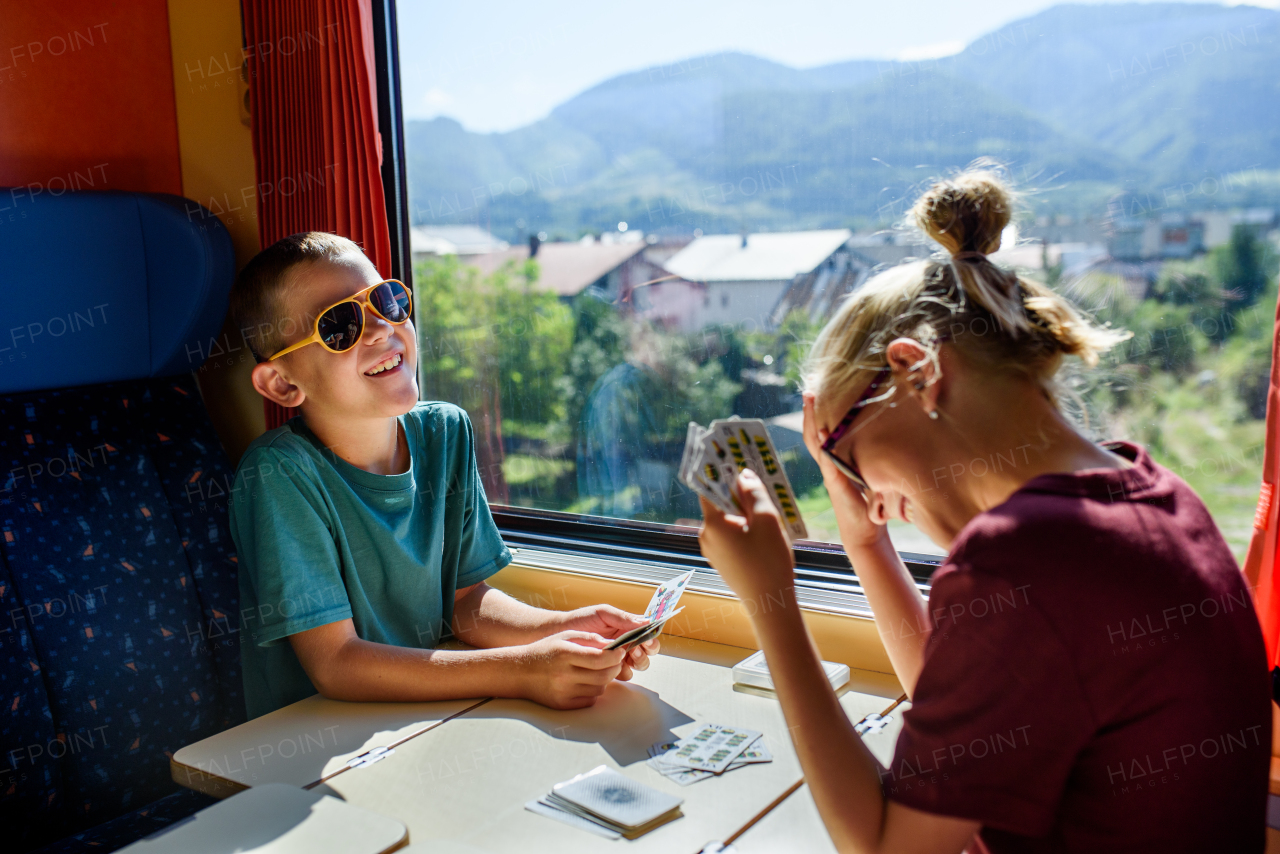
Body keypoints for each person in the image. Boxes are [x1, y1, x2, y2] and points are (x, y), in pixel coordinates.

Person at [696, 169, 1271, 853]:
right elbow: (966, 733)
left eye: (849, 458)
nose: (869, 494)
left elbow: (887, 849)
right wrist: (866, 545)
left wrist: (771, 603)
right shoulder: (1158, 498)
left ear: (916, 373)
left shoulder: (1020, 559)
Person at [227, 232, 657, 719]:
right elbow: (336, 663)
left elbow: (465, 602)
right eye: (339, 326)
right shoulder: (280, 475)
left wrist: (562, 628)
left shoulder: (445, 433)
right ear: (282, 383)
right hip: (318, 736)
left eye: (385, 302)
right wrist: (524, 670)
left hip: (422, 713)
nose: (379, 330)